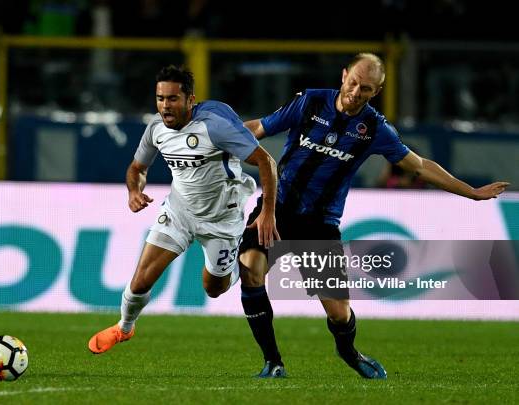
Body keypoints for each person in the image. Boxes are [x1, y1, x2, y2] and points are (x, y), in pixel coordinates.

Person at [238, 53, 510, 378]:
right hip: (277, 208)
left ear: (376, 91)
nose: (355, 92)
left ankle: (349, 352)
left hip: (319, 224)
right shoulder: (310, 102)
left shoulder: (374, 129)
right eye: (353, 83)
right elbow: (261, 127)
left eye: (365, 89)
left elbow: (420, 166)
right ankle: (273, 362)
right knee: (251, 270)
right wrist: (220, 139)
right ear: (343, 76)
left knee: (339, 315)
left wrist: (471, 191)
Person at [88, 65, 280, 354]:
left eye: (173, 99)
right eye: (160, 98)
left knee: (213, 289)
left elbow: (266, 162)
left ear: (190, 100)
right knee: (140, 281)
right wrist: (134, 190)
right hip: (179, 214)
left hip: (222, 220)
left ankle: (234, 265)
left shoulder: (214, 128)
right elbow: (137, 168)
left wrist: (267, 211)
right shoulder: (156, 128)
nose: (165, 106)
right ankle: (124, 328)